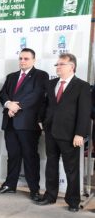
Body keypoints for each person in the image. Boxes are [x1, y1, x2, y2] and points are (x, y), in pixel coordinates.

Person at [36, 53, 91, 212]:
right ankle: (49, 195)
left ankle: (73, 201)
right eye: (57, 64)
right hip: (50, 131)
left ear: (71, 66)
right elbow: (44, 103)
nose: (57, 67)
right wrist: (41, 120)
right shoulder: (50, 83)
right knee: (51, 165)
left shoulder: (82, 85)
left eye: (61, 64)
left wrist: (80, 133)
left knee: (71, 169)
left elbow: (84, 111)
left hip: (70, 134)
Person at [0, 48, 49, 201]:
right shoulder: (11, 76)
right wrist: (8, 103)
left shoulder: (41, 75)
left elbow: (36, 95)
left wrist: (15, 107)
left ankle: (34, 190)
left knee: (30, 157)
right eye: (21, 58)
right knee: (13, 155)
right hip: (10, 123)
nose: (22, 61)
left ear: (33, 60)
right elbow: (2, 94)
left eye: (26, 59)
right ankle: (10, 185)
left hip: (28, 124)